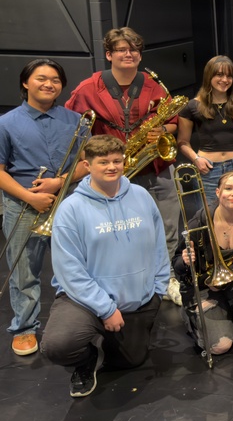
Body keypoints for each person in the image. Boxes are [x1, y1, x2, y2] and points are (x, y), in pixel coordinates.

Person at [42, 135, 169, 398]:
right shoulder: (71, 208)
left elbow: (159, 244)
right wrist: (105, 308)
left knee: (129, 362)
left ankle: (116, 339)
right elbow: (69, 270)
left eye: (117, 161)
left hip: (139, 298)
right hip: (86, 301)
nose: (112, 167)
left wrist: (159, 287)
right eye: (103, 162)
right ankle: (85, 361)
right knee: (59, 345)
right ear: (87, 166)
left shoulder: (141, 196)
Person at [66, 27, 183, 305]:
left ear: (140, 55)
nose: (128, 54)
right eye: (121, 49)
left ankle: (166, 279)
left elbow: (174, 122)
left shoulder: (154, 85)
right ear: (109, 54)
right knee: (116, 230)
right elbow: (73, 128)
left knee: (168, 226)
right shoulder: (87, 88)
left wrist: (162, 130)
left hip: (155, 167)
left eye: (134, 49)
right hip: (112, 173)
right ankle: (118, 280)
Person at [0, 59, 88, 356]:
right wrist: (31, 196)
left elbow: (87, 163)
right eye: (41, 78)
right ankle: (24, 328)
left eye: (55, 80)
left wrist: (58, 182)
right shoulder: (6, 123)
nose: (49, 84)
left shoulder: (76, 120)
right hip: (24, 205)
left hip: (69, 202)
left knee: (77, 266)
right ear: (26, 83)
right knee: (25, 271)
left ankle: (82, 321)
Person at [173, 170, 233, 353]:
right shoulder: (200, 221)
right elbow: (177, 263)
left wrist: (225, 280)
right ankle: (196, 315)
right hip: (204, 286)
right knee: (220, 347)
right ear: (218, 193)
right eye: (228, 188)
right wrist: (185, 261)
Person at [177, 55, 233, 198]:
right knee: (210, 217)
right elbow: (183, 142)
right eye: (219, 75)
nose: (225, 80)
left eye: (229, 76)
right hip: (207, 170)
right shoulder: (192, 106)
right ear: (209, 76)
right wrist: (196, 159)